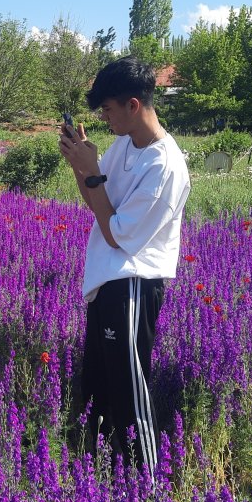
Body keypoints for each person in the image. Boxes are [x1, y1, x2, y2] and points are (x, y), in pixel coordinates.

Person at [58, 56, 190, 470]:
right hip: (105, 280)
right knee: (97, 386)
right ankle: (98, 476)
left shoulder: (165, 166)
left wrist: (92, 173)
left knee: (129, 390)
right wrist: (81, 166)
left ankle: (147, 484)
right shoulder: (124, 146)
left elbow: (118, 234)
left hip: (133, 283)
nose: (104, 117)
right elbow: (98, 206)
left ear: (133, 105)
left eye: (108, 109)